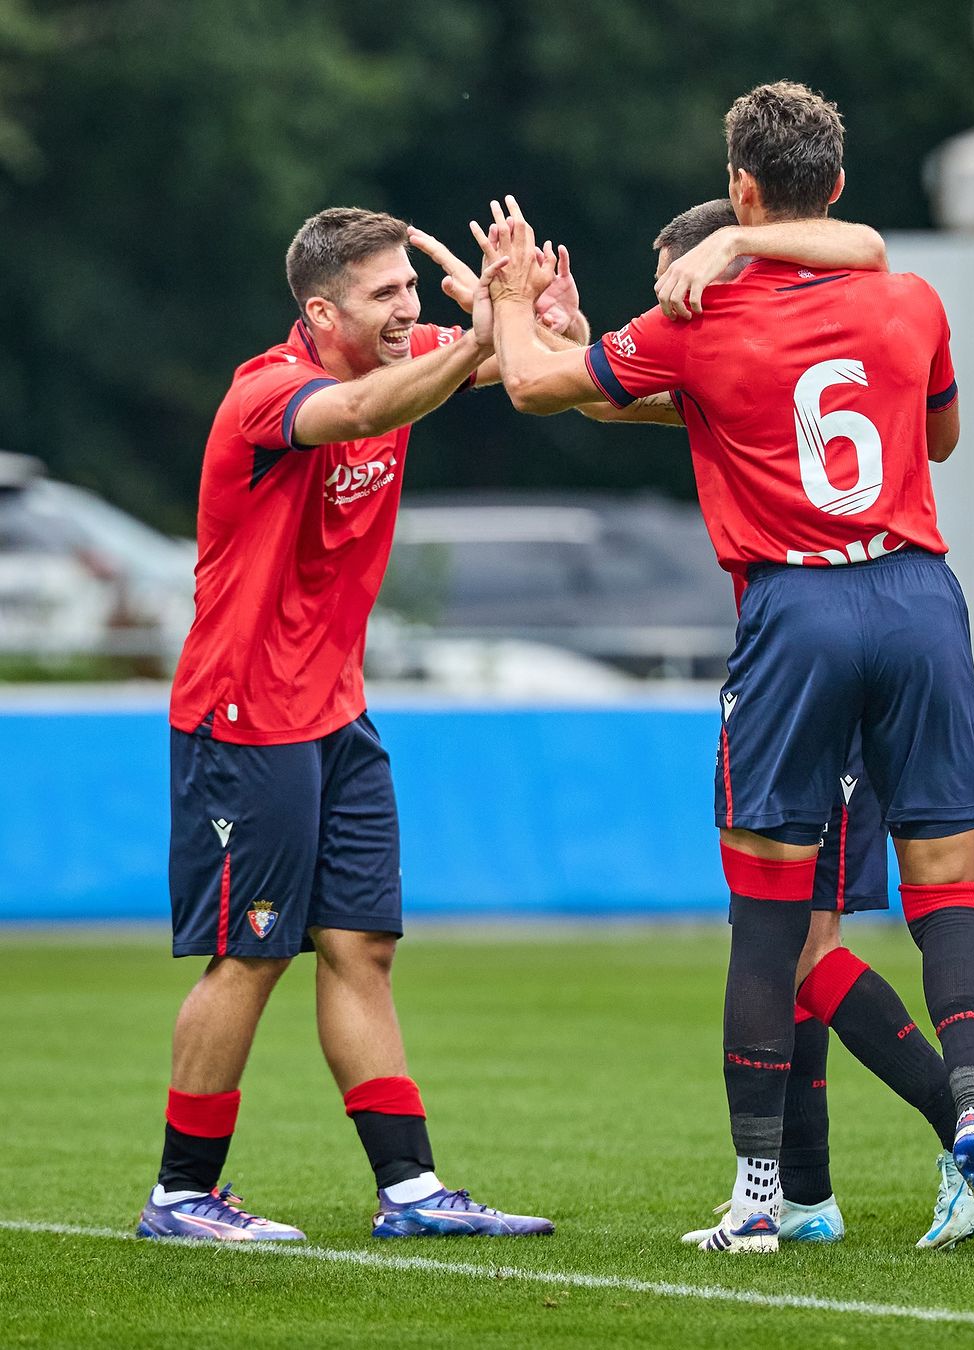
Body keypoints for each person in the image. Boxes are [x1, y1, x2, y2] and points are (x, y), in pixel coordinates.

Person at [477, 79, 974, 1258]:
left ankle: (761, 1197)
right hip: (922, 597)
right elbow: (932, 438)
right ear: (833, 187)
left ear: (740, 188)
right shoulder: (909, 299)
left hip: (799, 609)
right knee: (947, 897)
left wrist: (516, 301)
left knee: (771, 924)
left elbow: (531, 387)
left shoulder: (703, 322)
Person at [136, 206, 567, 1243]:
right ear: (320, 310)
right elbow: (369, 410)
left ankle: (411, 1191)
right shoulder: (266, 394)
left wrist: (537, 313)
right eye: (384, 295)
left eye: (410, 291)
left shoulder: (409, 351)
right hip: (245, 717)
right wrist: (478, 335)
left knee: (362, 947)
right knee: (251, 955)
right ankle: (181, 1195)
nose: (407, 309)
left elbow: (545, 368)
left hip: (334, 710)